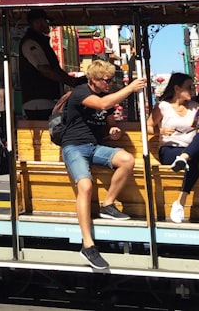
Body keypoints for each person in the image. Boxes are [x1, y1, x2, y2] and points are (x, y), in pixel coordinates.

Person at [60, 58, 146, 272]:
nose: (109, 84)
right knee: (86, 186)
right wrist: (130, 88)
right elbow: (102, 105)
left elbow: (110, 122)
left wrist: (114, 131)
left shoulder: (104, 95)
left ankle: (108, 204)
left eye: (111, 80)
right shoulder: (81, 92)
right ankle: (88, 245)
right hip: (74, 147)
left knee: (127, 160)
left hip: (95, 146)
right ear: (95, 80)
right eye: (106, 80)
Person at [150, 72, 199, 223]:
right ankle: (180, 202)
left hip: (188, 151)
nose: (192, 91)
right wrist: (160, 131)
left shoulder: (195, 108)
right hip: (169, 150)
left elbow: (198, 133)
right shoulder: (163, 106)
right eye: (189, 87)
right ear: (177, 88)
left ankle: (180, 200)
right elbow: (148, 127)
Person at [19, 8, 85, 119]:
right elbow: (46, 70)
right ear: (38, 22)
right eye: (46, 22)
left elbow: (55, 70)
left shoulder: (40, 41)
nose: (48, 25)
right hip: (40, 100)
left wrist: (74, 81)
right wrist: (73, 81)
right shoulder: (31, 42)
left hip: (46, 99)